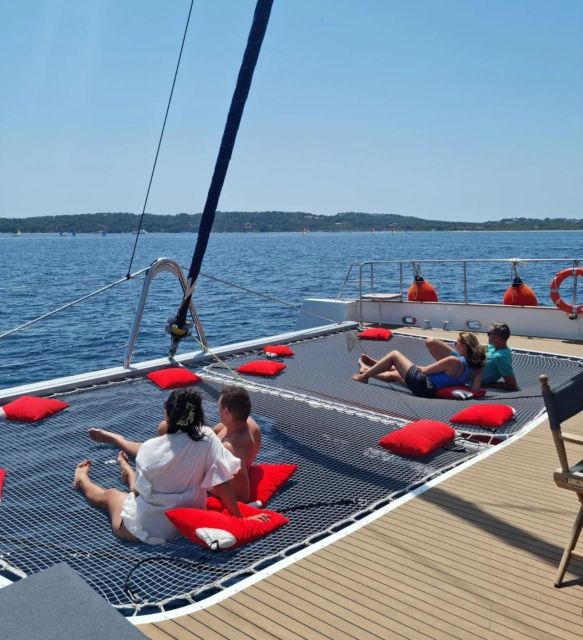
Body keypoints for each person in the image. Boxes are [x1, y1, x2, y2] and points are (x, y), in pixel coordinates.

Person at [74, 388, 267, 544]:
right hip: (189, 521)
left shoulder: (149, 450)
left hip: (149, 528)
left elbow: (138, 494)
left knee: (111, 496)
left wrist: (133, 478)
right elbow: (222, 484)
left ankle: (82, 479)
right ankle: (127, 468)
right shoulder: (208, 438)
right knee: (135, 489)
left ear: (168, 415)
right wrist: (241, 519)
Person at [87, 385, 261, 502]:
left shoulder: (231, 447)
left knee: (159, 436)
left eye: (219, 407)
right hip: (207, 455)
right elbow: (206, 436)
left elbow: (241, 495)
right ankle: (121, 440)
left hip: (205, 475)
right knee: (165, 428)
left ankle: (118, 440)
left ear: (227, 412)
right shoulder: (242, 422)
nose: (217, 410)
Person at [352, 332, 485, 396]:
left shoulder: (453, 361)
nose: (454, 346)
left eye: (456, 343)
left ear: (465, 346)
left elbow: (425, 371)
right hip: (430, 392)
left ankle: (365, 376)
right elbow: (475, 391)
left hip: (422, 382)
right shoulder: (478, 369)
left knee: (394, 354)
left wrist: (412, 366)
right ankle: (366, 369)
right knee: (394, 375)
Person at [425, 322, 517, 390]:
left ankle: (443, 374)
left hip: (464, 372)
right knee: (431, 342)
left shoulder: (501, 357)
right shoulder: (494, 347)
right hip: (464, 360)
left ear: (499, 337)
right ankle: (444, 371)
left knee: (431, 349)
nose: (487, 336)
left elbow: (512, 385)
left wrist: (489, 384)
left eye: (489, 334)